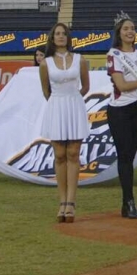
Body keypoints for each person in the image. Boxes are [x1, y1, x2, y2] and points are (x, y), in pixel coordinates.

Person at [107, 12, 137, 219]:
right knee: (125, 156)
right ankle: (129, 202)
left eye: (133, 28)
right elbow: (122, 86)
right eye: (126, 29)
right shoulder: (113, 54)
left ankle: (128, 204)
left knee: (131, 155)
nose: (130, 32)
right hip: (120, 109)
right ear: (119, 32)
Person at [39, 23, 90, 223]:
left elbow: (85, 86)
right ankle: (61, 201)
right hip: (56, 107)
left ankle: (71, 202)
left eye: (63, 34)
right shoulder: (46, 63)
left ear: (68, 38)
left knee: (73, 154)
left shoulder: (80, 60)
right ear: (52, 38)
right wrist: (58, 103)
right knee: (59, 155)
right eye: (57, 34)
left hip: (74, 106)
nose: (60, 37)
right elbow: (46, 91)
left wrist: (74, 101)